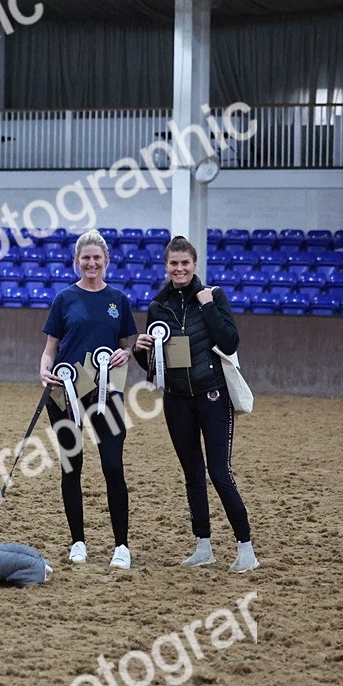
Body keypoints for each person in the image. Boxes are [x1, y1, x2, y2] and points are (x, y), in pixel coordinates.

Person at [133, 236, 259, 573]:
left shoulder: (214, 296)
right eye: (173, 264)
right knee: (192, 474)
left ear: (194, 264)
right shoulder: (158, 306)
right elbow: (154, 367)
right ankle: (203, 545)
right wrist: (140, 350)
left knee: (219, 472)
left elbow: (230, 341)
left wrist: (206, 305)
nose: (179, 269)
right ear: (166, 266)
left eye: (184, 263)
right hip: (176, 401)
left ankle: (245, 546)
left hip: (213, 396)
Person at [39, 229, 137, 569]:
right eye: (86, 258)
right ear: (77, 261)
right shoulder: (64, 299)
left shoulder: (118, 300)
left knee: (113, 466)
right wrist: (44, 372)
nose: (91, 263)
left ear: (106, 261)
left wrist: (125, 352)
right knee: (72, 466)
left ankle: (121, 546)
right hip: (66, 395)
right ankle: (77, 541)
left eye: (97, 258)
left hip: (107, 394)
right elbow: (51, 348)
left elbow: (129, 342)